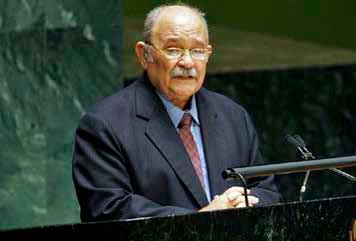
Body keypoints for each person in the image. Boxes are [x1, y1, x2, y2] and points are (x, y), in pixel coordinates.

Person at [72, 3, 280, 222]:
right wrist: (203, 219)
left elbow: (266, 190)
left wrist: (241, 205)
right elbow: (109, 209)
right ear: (145, 55)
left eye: (198, 51)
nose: (188, 62)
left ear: (208, 54)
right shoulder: (104, 124)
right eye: (173, 50)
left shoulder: (232, 116)